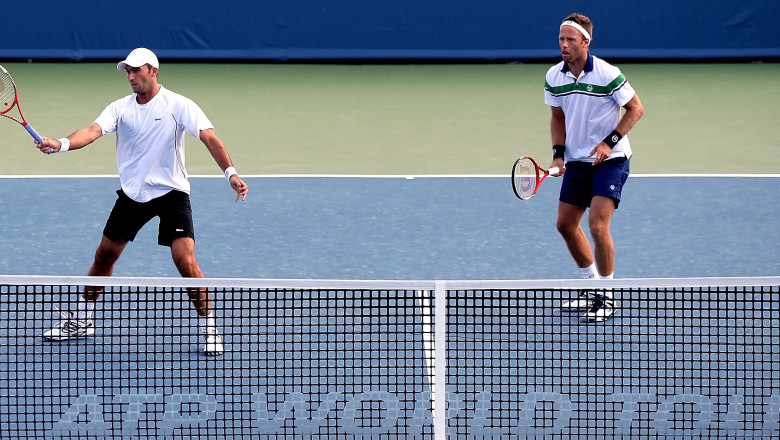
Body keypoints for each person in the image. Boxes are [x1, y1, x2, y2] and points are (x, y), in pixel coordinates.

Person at [35, 48, 249, 355]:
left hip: (171, 193)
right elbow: (92, 131)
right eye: (127, 71)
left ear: (153, 71)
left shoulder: (179, 105)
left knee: (185, 262)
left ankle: (209, 326)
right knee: (104, 256)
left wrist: (230, 173)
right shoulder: (120, 108)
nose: (131, 76)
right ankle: (82, 318)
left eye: (136, 70)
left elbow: (209, 138)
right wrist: (61, 144)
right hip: (133, 194)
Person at [543, 14, 644, 321]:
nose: (564, 44)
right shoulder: (553, 77)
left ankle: (607, 296)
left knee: (598, 226)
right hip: (577, 160)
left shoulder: (607, 73)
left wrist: (608, 142)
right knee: (565, 224)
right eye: (561, 39)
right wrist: (558, 155)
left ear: (585, 42)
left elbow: (636, 109)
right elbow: (558, 118)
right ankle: (591, 286)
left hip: (611, 159)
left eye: (570, 39)